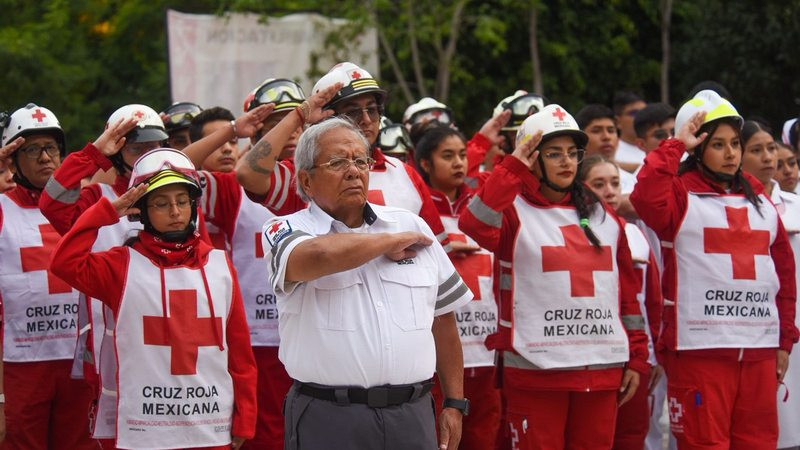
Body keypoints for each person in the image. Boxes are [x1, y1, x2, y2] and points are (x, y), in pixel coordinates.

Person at [264, 117, 472, 450]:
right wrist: (387, 242)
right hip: (330, 418)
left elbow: (442, 318)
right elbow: (316, 256)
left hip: (413, 415)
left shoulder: (409, 223)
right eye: (337, 162)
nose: (353, 170)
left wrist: (455, 402)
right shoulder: (285, 230)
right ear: (306, 179)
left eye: (360, 161)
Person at [459, 104, 649, 449]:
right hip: (536, 373)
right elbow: (474, 223)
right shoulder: (512, 212)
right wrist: (513, 163)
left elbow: (626, 294)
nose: (566, 161)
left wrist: (636, 355)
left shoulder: (602, 215)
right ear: (533, 158)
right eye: (553, 153)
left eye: (572, 153)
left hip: (601, 371)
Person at [51, 148, 257, 450]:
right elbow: (64, 262)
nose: (175, 212)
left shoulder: (220, 265)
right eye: (161, 203)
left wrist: (245, 417)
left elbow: (239, 352)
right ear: (142, 210)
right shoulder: (119, 266)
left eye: (182, 201)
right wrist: (108, 211)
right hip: (144, 432)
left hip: (210, 427)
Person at [630, 90, 798, 449]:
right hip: (698, 352)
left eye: (735, 143)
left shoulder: (758, 197)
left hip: (758, 351)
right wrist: (675, 145)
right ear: (697, 148)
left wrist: (784, 339)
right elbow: (645, 197)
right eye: (718, 144)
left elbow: (783, 274)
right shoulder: (677, 193)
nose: (731, 153)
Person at [237, 63, 452, 254]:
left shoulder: (404, 172)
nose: (367, 119)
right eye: (354, 112)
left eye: (373, 110)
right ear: (325, 118)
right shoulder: (306, 174)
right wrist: (299, 115)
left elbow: (435, 252)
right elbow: (248, 174)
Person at [0, 103, 94, 449]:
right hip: (20, 365)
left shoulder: (86, 204)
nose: (45, 158)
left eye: (51, 148)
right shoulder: (2, 208)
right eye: (32, 149)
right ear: (12, 160)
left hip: (78, 364)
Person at [413, 124, 500, 450]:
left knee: (485, 439)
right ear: (424, 164)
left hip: (488, 351)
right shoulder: (418, 212)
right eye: (447, 156)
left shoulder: (481, 208)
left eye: (463, 155)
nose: (459, 163)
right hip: (443, 352)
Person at [579, 155, 663, 450]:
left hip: (635, 357)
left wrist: (651, 355)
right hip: (590, 357)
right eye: (599, 184)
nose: (610, 191)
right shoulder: (570, 230)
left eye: (615, 183)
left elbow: (651, 301)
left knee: (631, 437)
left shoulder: (635, 233)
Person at [738, 120, 800, 450]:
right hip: (758, 326)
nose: (768, 157)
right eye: (756, 150)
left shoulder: (796, 208)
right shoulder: (731, 209)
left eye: (771, 148)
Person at [613, 91, 647, 172]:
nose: (641, 117)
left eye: (645, 112)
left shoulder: (658, 146)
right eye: (634, 113)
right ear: (617, 121)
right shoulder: (609, 150)